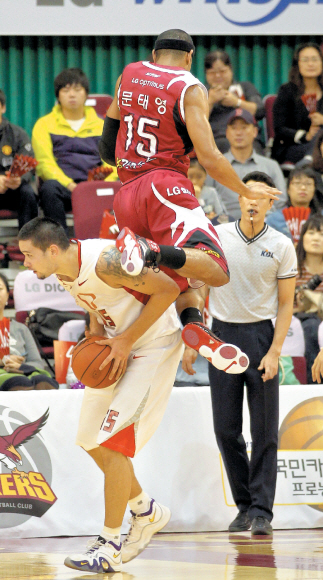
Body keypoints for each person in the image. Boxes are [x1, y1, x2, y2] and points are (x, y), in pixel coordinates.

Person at [99, 29, 280, 372]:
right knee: (215, 266)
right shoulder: (189, 87)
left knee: (180, 277)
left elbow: (108, 142)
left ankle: (195, 326)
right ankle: (147, 251)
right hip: (164, 186)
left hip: (125, 194)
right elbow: (210, 158)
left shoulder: (130, 73)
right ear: (190, 56)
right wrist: (245, 189)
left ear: (154, 53)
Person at [18, 216, 183, 574]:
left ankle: (108, 544)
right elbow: (94, 303)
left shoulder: (106, 260)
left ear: (51, 249)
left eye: (29, 256)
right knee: (90, 440)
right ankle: (145, 509)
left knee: (113, 445)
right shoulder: (63, 270)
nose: (25, 264)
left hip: (152, 344)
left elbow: (168, 289)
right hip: (115, 347)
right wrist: (96, 333)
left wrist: (124, 340)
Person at [184, 172, 297, 535]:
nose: (251, 200)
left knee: (265, 432)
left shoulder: (281, 245)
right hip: (221, 335)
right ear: (238, 197)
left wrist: (275, 351)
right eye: (245, 193)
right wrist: (197, 341)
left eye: (259, 196)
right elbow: (198, 289)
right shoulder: (217, 236)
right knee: (226, 429)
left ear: (270, 202)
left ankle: (263, 511)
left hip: (262, 336)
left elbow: (285, 304)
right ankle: (244, 505)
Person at [32, 68, 117, 232]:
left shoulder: (102, 125)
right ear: (58, 95)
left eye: (77, 90)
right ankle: (60, 244)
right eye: (66, 90)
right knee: (49, 188)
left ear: (86, 94)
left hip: (96, 187)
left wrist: (97, 184)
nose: (72, 95)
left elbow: (113, 161)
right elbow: (44, 164)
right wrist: (70, 185)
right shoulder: (44, 125)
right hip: (65, 189)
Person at [206, 108, 287, 220]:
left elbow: (280, 202)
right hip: (226, 225)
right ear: (227, 133)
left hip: (264, 224)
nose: (239, 133)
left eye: (244, 128)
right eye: (234, 128)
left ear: (255, 132)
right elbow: (207, 198)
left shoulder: (271, 166)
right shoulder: (215, 166)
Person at [0, 273, 58, 390]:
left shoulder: (21, 329)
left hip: (24, 371)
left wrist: (21, 366)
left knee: (42, 380)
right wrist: (3, 361)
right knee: (19, 382)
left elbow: (37, 363)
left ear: (7, 295)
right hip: (5, 374)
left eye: (0, 289)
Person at [204, 50, 265, 154]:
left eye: (222, 71)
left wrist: (237, 102)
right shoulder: (201, 92)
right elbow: (193, 122)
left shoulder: (245, 87)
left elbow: (260, 111)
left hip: (248, 140)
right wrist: (210, 102)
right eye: (212, 73)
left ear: (231, 70)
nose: (218, 76)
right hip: (214, 141)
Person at [272, 43, 323, 165]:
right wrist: (305, 136)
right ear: (297, 65)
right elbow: (279, 128)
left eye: (315, 59)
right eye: (305, 60)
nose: (310, 64)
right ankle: (309, 160)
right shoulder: (287, 91)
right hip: (293, 147)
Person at [0, 89, 38, 230]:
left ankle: (30, 243)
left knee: (27, 193)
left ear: (3, 107)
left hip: (12, 190)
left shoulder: (18, 134)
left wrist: (19, 179)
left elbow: (28, 165)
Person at [293, 214, 323, 384]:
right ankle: (315, 382)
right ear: (302, 236)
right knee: (311, 325)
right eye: (311, 233)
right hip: (298, 321)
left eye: (322, 234)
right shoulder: (292, 267)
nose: (316, 238)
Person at [266, 167, 322, 242]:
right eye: (297, 183)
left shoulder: (321, 216)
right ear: (288, 189)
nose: (303, 187)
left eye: (308, 184)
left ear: (314, 190)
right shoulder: (274, 219)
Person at [187, 158, 229, 222]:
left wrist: (214, 217)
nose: (194, 181)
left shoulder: (211, 192)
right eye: (190, 177)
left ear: (205, 176)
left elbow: (222, 214)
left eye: (199, 177)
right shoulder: (182, 193)